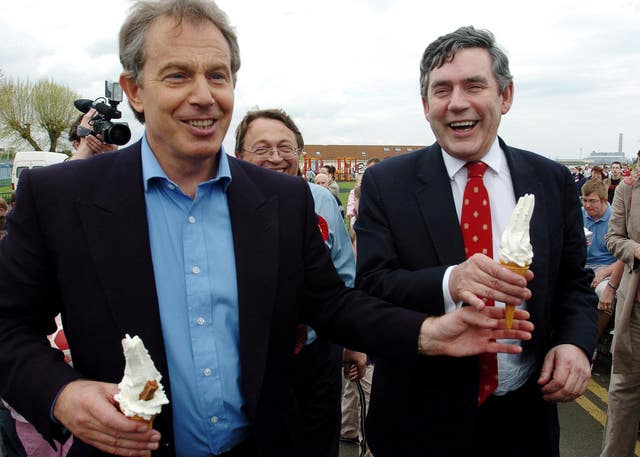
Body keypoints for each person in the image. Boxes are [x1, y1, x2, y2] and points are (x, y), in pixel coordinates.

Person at [0, 4, 533, 457]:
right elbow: (7, 326)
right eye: (178, 75)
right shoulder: (60, 198)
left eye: (218, 75)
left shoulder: (280, 199)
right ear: (134, 90)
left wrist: (426, 333)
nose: (204, 95)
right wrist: (61, 395)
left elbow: (332, 305)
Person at [355, 26, 597, 457]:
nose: (457, 102)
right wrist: (449, 281)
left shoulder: (551, 180)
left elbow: (574, 284)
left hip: (524, 419)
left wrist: (574, 343)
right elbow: (372, 287)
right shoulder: (385, 183)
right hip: (419, 421)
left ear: (505, 96)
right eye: (441, 89)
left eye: (473, 85)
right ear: (426, 105)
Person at [234, 108, 355, 457]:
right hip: (248, 356)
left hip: (318, 354)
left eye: (286, 147)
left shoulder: (322, 201)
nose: (276, 157)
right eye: (263, 148)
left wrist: (350, 341)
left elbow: (344, 275)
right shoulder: (223, 203)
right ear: (240, 155)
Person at [601, 172, 640, 456]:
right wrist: (635, 248)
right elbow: (613, 238)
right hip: (636, 310)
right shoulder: (628, 189)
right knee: (625, 389)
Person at [580, 180, 620, 361]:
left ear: (604, 200)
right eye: (584, 200)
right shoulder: (580, 215)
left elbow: (624, 257)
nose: (587, 205)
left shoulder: (616, 219)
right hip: (582, 264)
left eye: (592, 201)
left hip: (608, 267)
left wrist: (603, 273)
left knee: (603, 292)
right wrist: (578, 243)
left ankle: (591, 343)